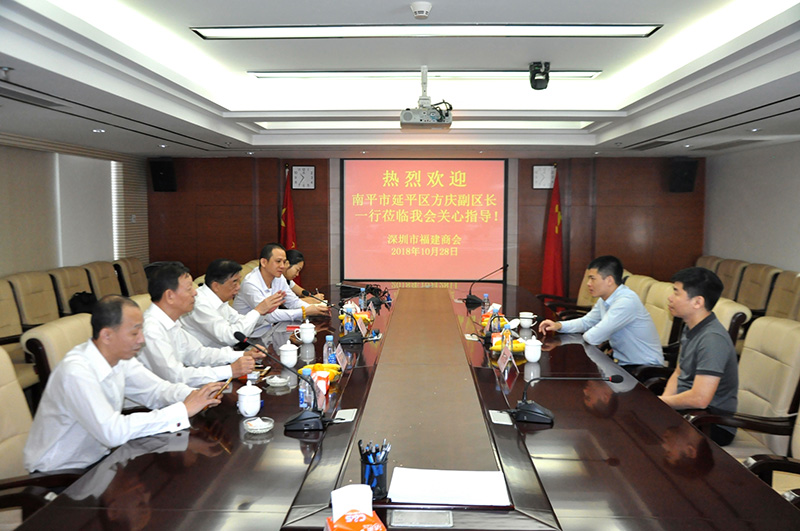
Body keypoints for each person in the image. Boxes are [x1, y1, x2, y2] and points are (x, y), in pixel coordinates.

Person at [23, 295, 224, 473]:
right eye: (134, 333)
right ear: (107, 335)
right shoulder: (76, 372)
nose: (142, 340)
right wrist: (183, 410)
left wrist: (195, 395)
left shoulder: (120, 358)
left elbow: (156, 390)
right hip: (62, 475)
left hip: (99, 462)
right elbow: (112, 432)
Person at [139, 262, 263, 386]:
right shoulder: (151, 329)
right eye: (189, 289)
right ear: (170, 296)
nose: (195, 293)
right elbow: (175, 376)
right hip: (157, 396)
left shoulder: (171, 323)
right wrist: (230, 370)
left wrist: (242, 355)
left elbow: (197, 353)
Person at [538, 255, 664, 368]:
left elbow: (593, 337)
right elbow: (587, 322)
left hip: (645, 368)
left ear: (609, 280)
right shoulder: (605, 299)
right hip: (622, 364)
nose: (588, 283)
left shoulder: (626, 302)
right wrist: (558, 326)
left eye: (592, 279)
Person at [660, 267, 738, 446]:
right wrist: (663, 404)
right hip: (687, 411)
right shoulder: (691, 327)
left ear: (697, 302)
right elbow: (679, 372)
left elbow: (700, 399)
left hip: (711, 422)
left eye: (676, 293)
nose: (670, 298)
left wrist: (661, 403)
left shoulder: (712, 339)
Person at [232, 243, 330, 340]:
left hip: (268, 331)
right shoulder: (251, 284)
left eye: (284, 262)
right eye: (278, 261)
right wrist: (304, 312)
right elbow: (269, 316)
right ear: (264, 262)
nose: (282, 266)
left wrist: (317, 309)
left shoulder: (278, 277)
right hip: (247, 337)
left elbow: (293, 302)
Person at [180, 259, 284, 348]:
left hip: (223, 355)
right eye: (234, 282)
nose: (238, 287)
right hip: (204, 362)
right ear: (216, 286)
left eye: (239, 281)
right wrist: (257, 311)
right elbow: (229, 337)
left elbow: (239, 321)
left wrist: (263, 313)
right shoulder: (199, 304)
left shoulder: (219, 300)